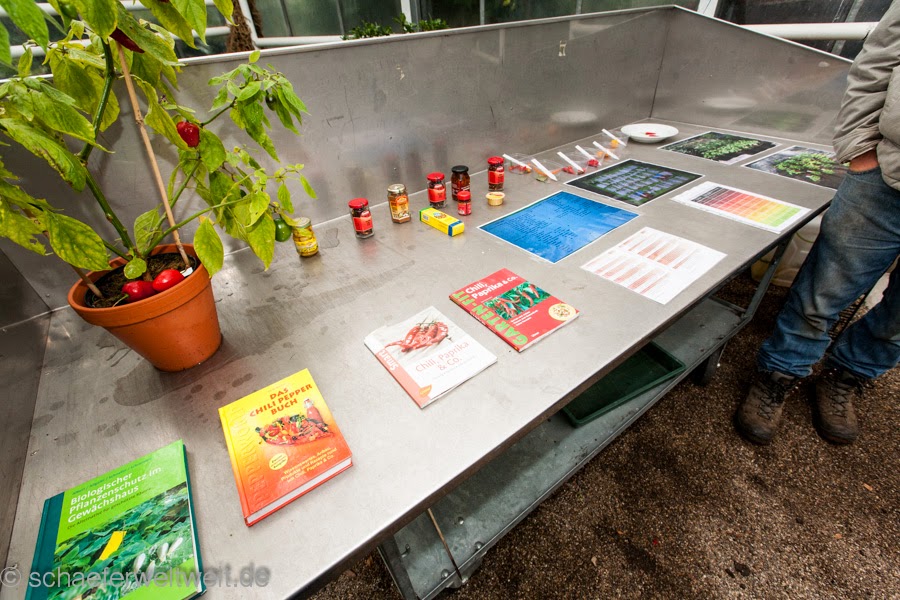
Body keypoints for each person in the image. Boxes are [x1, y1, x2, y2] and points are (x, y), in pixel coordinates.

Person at [735, 4, 900, 446]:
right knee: (824, 289)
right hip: (887, 174)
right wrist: (860, 149)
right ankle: (780, 372)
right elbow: (878, 60)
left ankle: (849, 374)